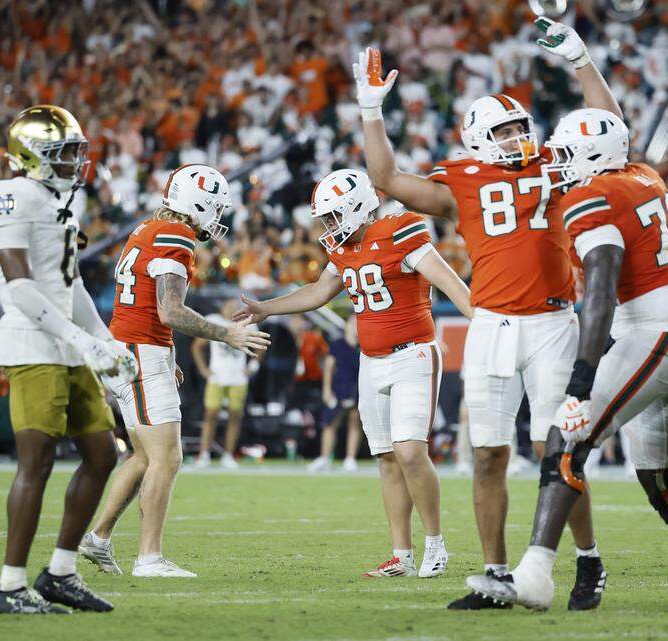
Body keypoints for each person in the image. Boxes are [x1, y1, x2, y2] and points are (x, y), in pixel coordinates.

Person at [356, 17, 620, 610]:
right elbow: (386, 178)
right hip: (492, 324)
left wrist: (581, 61)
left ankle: (587, 561)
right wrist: (371, 112)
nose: (516, 139)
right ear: (477, 140)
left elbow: (609, 127)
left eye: (520, 127)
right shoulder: (462, 179)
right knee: (488, 454)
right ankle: (497, 574)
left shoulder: (557, 164)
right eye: (502, 132)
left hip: (554, 323)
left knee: (560, 450)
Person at [467, 108, 668, 613]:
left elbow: (599, 290)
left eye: (566, 150)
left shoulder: (590, 197)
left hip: (658, 327)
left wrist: (581, 381)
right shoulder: (642, 174)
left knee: (566, 435)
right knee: (661, 476)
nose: (556, 159)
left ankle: (534, 574)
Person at [237, 169, 473, 579]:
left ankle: (435, 543)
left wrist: (485, 324)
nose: (327, 227)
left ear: (358, 207)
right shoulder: (343, 249)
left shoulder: (401, 229)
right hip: (371, 360)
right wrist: (266, 308)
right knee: (385, 457)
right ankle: (401, 555)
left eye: (332, 216)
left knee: (410, 451)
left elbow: (451, 285)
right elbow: (317, 292)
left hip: (413, 354)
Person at [80, 164, 270, 578]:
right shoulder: (176, 237)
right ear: (196, 203)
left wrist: (167, 356)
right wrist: (226, 334)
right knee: (168, 456)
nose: (216, 217)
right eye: (214, 207)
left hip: (135, 347)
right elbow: (169, 309)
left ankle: (98, 537)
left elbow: (149, 307)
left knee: (144, 456)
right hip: (139, 352)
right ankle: (149, 557)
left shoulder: (147, 229)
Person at [0, 105, 135, 614]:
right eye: (64, 152)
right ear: (32, 156)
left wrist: (103, 339)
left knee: (103, 454)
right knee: (38, 461)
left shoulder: (57, 200)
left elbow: (68, 287)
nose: (76, 161)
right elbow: (20, 287)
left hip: (67, 344)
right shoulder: (9, 195)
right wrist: (81, 340)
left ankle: (61, 572)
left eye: (76, 150)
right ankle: (9, 586)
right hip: (31, 343)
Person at [192, 298, 260, 469]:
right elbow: (197, 345)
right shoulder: (214, 321)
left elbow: (260, 344)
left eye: (236, 307)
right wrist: (203, 368)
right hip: (217, 377)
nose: (232, 309)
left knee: (235, 416)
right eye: (229, 305)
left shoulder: (248, 323)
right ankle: (205, 454)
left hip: (238, 377)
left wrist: (253, 366)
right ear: (222, 307)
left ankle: (229, 455)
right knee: (210, 414)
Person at [308, 315, 363, 473]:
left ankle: (350, 459)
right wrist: (327, 389)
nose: (355, 326)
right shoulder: (337, 344)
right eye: (352, 323)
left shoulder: (363, 345)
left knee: (355, 422)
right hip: (339, 388)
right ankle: (324, 457)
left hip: (357, 388)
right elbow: (329, 368)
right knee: (330, 423)